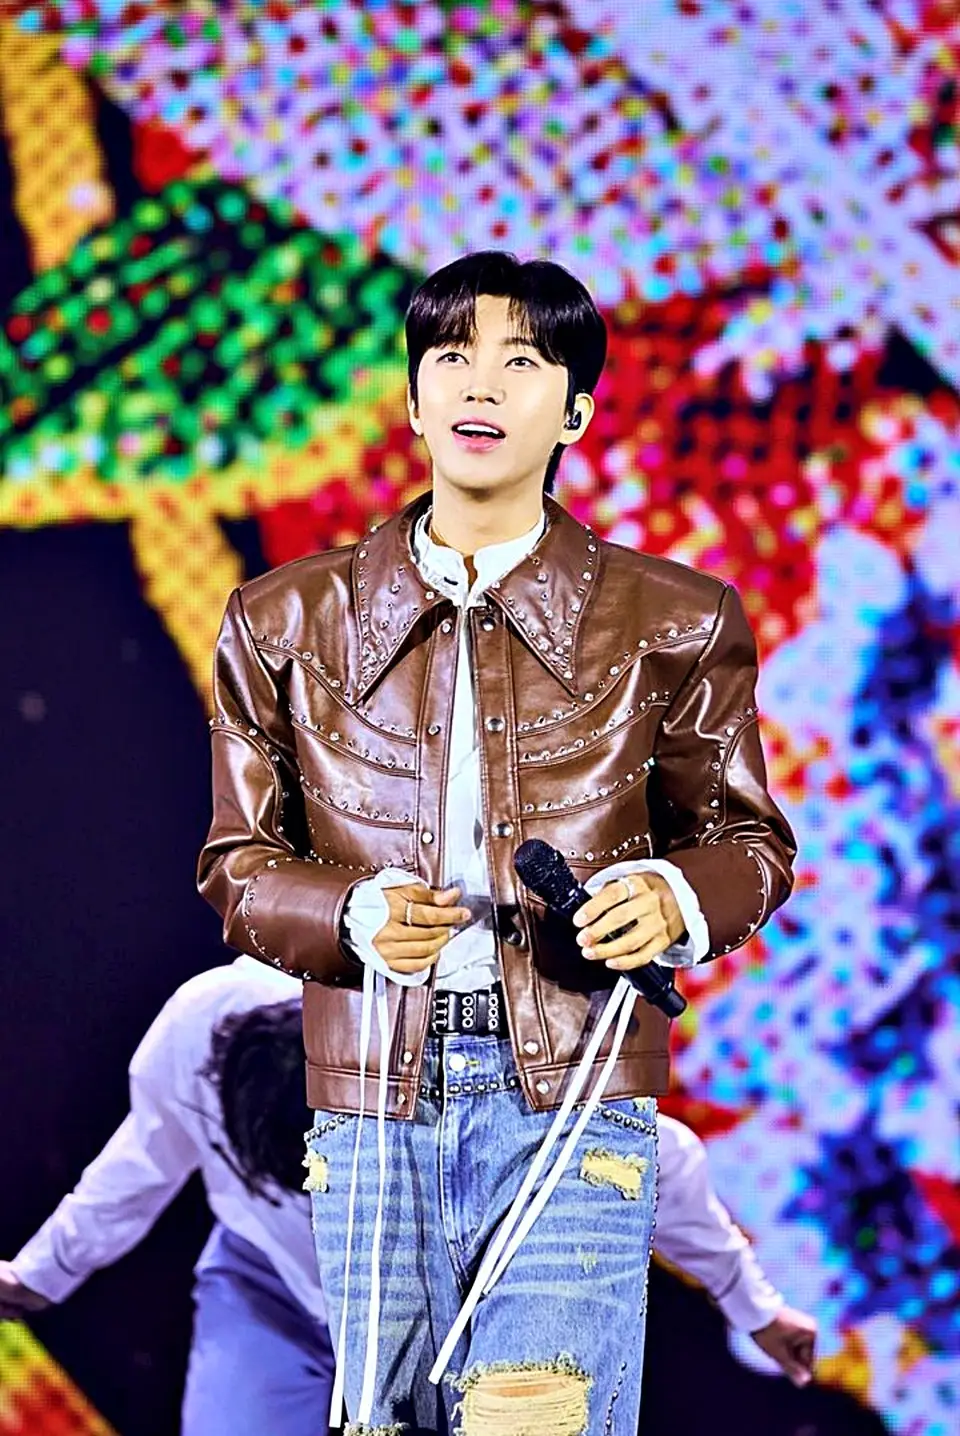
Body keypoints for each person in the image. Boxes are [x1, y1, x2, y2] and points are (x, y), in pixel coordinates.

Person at [198, 250, 796, 1435]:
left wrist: (673, 894)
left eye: (522, 360)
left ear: (574, 410)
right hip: (371, 1100)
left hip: (572, 1095)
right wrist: (352, 914)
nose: (482, 384)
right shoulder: (281, 619)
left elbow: (750, 840)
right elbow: (238, 864)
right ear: (413, 398)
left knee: (536, 1416)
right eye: (452, 356)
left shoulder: (676, 620)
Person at [0, 968, 816, 1432]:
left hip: (448, 1318)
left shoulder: (499, 1090)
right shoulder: (195, 1037)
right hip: (272, 1294)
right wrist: (38, 1276)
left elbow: (663, 1168)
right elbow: (134, 1173)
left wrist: (755, 1308)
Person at [0, 957, 334, 1436]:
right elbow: (143, 1158)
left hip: (419, 1294)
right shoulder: (200, 1021)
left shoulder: (424, 1052)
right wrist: (42, 1271)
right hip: (268, 1278)